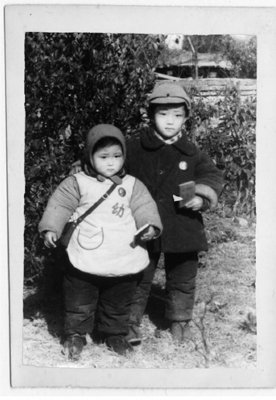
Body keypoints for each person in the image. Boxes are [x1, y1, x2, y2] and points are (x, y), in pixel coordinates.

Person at [71, 82, 223, 344]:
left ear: (186, 117)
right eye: (163, 114)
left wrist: (200, 196)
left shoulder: (193, 153)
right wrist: (83, 170)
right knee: (138, 275)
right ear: (151, 115)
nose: (170, 121)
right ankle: (128, 323)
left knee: (183, 276)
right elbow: (110, 163)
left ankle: (180, 320)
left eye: (177, 115)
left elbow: (211, 176)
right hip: (142, 224)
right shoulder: (134, 148)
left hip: (183, 223)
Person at [38, 124, 163, 360]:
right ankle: (75, 334)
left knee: (118, 298)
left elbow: (145, 207)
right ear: (90, 156)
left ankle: (114, 333)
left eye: (117, 156)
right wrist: (51, 228)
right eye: (103, 156)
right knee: (79, 297)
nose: (110, 162)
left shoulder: (133, 185)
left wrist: (150, 227)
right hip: (86, 252)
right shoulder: (77, 182)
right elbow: (61, 204)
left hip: (122, 253)